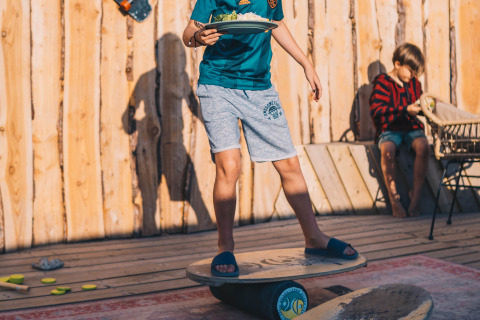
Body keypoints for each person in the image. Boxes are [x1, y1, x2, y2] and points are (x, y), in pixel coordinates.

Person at [182, 0, 358, 277]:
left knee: (289, 165)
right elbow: (189, 32)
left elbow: (276, 24)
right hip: (216, 85)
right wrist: (198, 37)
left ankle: (313, 237)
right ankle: (224, 246)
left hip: (259, 88)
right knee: (229, 164)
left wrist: (306, 63)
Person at [369, 43, 429, 218]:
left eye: (416, 73)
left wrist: (425, 108)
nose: (413, 76)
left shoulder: (414, 84)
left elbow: (420, 104)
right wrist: (404, 109)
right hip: (389, 128)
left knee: (424, 146)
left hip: (411, 127)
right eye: (410, 71)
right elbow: (376, 110)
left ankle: (415, 197)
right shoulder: (383, 82)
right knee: (388, 150)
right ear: (397, 64)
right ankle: (394, 198)